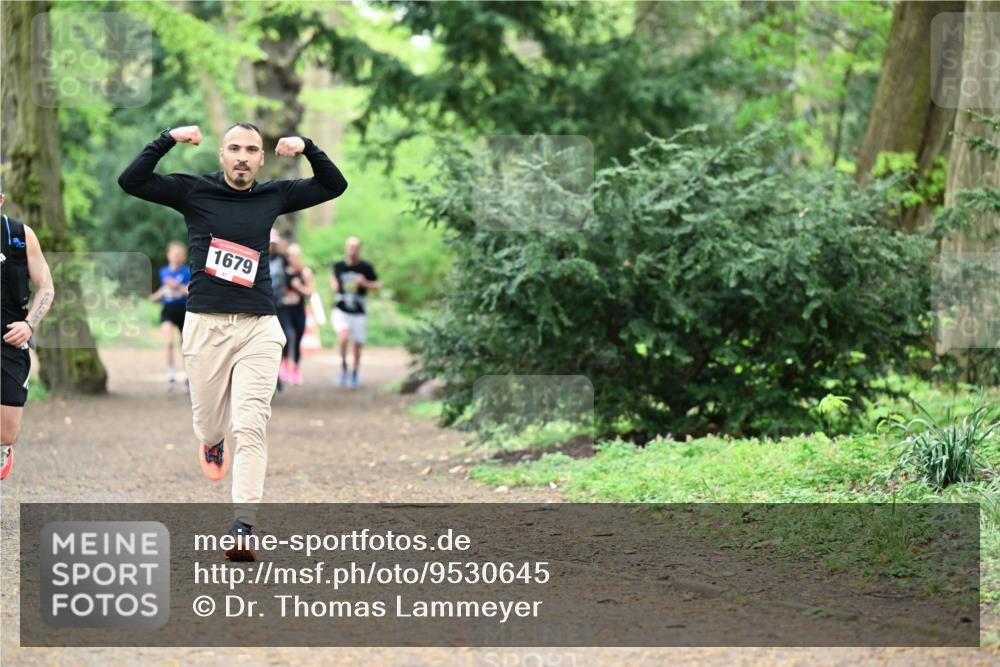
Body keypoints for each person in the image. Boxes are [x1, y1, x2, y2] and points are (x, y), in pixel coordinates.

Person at [118, 123, 347, 560]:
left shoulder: (273, 196)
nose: (242, 157)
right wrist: (168, 138)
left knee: (251, 423)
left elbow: (334, 185)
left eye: (251, 150)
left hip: (259, 326)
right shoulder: (193, 191)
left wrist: (308, 147)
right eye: (235, 149)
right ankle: (211, 441)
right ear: (222, 155)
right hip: (205, 325)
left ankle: (243, 527)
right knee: (210, 424)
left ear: (261, 159)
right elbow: (131, 180)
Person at [1, 188, 55, 481]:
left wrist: (29, 324)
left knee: (7, 432)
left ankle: (3, 450)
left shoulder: (19, 235)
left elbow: (46, 287)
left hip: (9, 337)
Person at [331, 236, 379, 389]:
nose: (352, 249)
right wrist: (335, 286)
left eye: (355, 247)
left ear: (359, 249)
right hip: (341, 308)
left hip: (358, 310)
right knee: (343, 337)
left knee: (357, 345)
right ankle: (343, 367)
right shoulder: (338, 266)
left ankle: (355, 373)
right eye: (350, 246)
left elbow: (377, 285)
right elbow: (333, 281)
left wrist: (364, 283)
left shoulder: (366, 267)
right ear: (346, 248)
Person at [149, 240, 191, 390]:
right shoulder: (164, 271)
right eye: (174, 254)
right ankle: (171, 374)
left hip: (183, 310)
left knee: (185, 345)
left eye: (180, 254)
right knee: (168, 342)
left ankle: (188, 377)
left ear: (184, 256)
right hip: (168, 310)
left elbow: (188, 291)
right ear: (168, 255)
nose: (177, 257)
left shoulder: (187, 272)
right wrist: (154, 297)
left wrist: (178, 287)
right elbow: (164, 289)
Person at [278, 243, 315, 386]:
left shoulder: (305, 272)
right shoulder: (283, 271)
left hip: (298, 310)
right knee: (287, 335)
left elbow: (311, 292)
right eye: (291, 255)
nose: (294, 258)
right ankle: (285, 364)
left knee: (298, 338)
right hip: (285, 310)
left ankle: (296, 370)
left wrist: (299, 287)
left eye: (296, 255)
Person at [268, 229, 289, 393]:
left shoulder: (282, 259)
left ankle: (276, 375)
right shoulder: (256, 256)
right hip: (262, 305)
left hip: (279, 305)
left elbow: (294, 275)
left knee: (278, 341)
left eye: (273, 244)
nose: (271, 246)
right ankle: (269, 377)